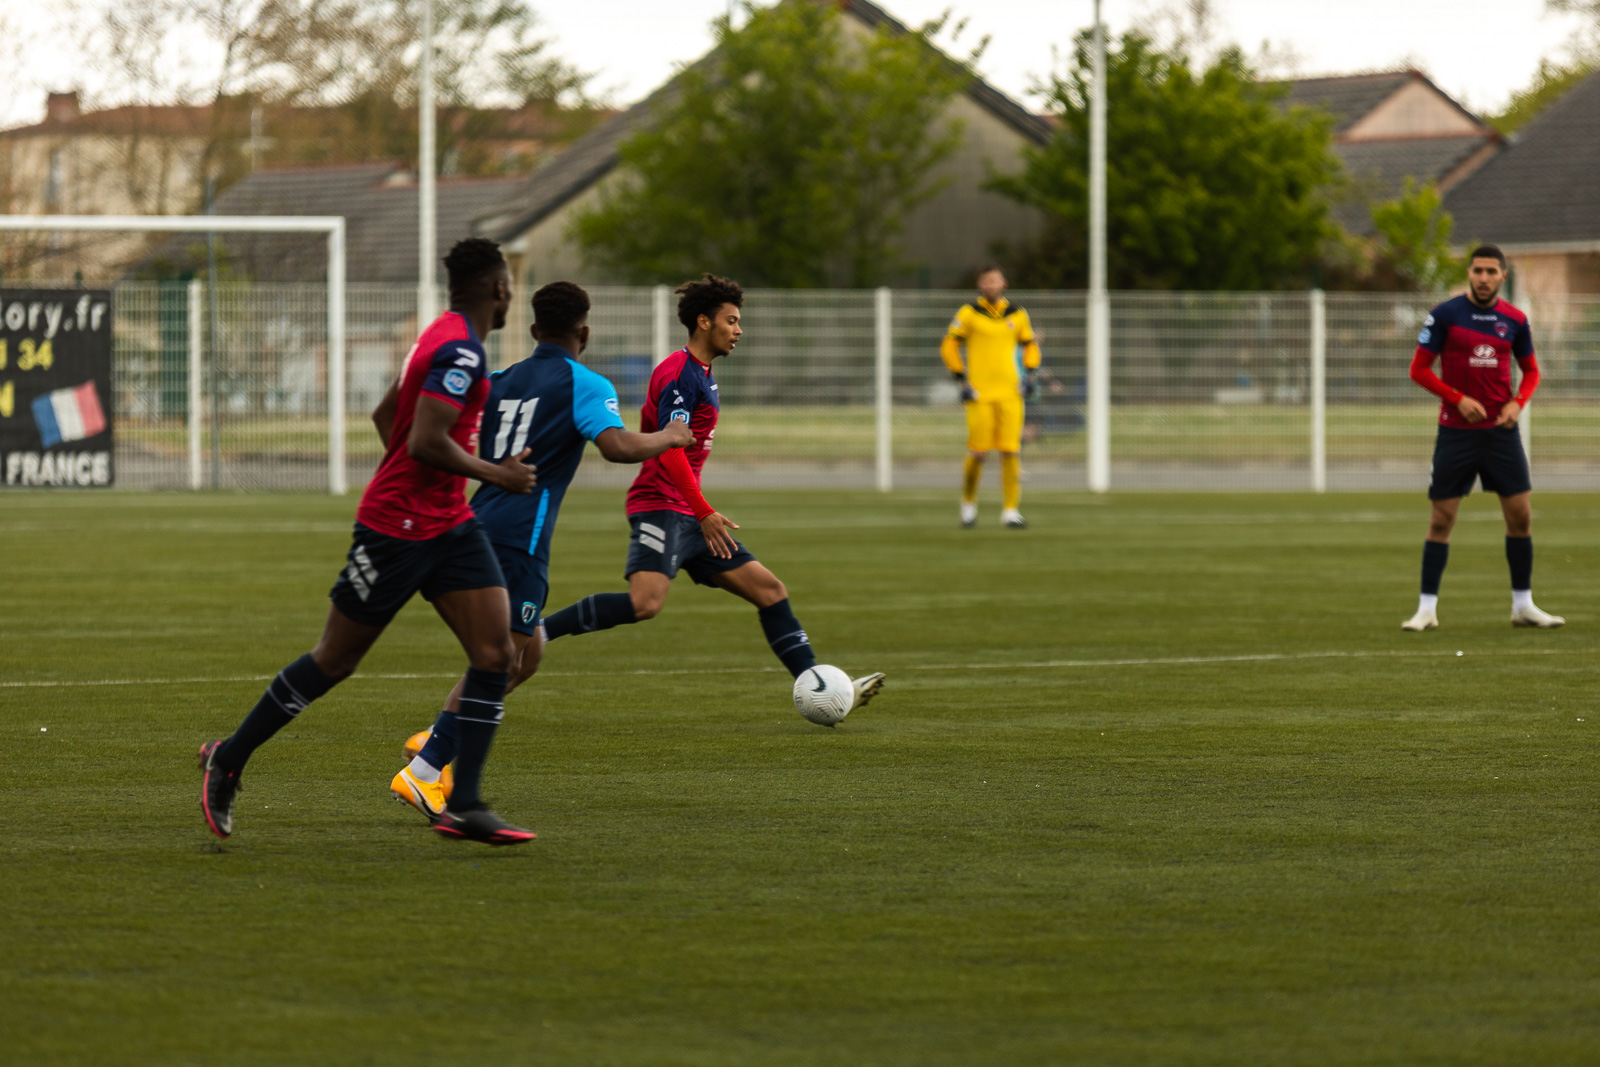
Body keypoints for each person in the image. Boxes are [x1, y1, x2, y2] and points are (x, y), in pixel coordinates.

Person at [198, 237, 540, 846]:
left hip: (448, 523)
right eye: (509, 285)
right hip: (396, 530)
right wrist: (496, 475)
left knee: (496, 654)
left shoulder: (440, 334)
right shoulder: (461, 349)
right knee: (335, 659)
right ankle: (228, 758)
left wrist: (428, 488)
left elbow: (386, 415)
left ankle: (464, 803)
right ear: (499, 288)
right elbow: (422, 441)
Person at [390, 281, 694, 821]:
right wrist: (669, 436)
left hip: (478, 522)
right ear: (585, 333)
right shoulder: (585, 382)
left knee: (525, 656)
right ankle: (426, 769)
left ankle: (436, 740)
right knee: (501, 659)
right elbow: (617, 446)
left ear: (533, 329)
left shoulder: (499, 380)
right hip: (520, 540)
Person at [534, 273, 885, 710]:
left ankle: (821, 688)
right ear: (704, 322)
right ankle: (538, 633)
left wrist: (698, 511)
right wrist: (703, 511)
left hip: (690, 511)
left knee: (770, 591)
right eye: (731, 321)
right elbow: (670, 449)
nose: (739, 330)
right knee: (645, 603)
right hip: (661, 505)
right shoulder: (679, 374)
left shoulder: (702, 373)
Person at [1401, 244, 1563, 632]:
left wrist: (1517, 404)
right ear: (1469, 274)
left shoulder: (1515, 319)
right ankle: (1426, 610)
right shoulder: (1445, 314)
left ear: (1503, 276)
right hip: (1456, 434)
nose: (1484, 278)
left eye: (1492, 271)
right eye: (1478, 271)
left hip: (1501, 435)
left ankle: (1523, 606)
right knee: (1441, 520)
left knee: (1521, 516)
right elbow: (1419, 370)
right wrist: (1457, 398)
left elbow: (1532, 372)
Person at [940, 265, 1041, 529]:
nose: (990, 285)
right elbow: (949, 346)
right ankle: (968, 506)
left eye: (995, 280)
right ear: (980, 285)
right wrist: (960, 379)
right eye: (986, 281)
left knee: (1011, 451)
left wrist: (1030, 375)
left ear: (1004, 284)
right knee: (978, 453)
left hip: (1010, 393)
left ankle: (1010, 511)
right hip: (980, 394)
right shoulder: (969, 313)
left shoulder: (1017, 314)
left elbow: (1030, 345)